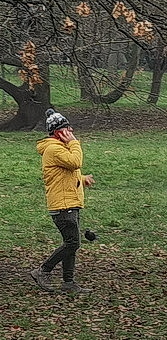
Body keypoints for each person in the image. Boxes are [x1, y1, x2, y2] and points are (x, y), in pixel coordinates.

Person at [32, 109, 96, 294]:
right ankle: (42, 271)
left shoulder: (60, 148)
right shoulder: (53, 148)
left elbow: (66, 172)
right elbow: (75, 162)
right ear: (58, 132)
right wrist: (75, 143)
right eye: (68, 129)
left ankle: (69, 283)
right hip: (62, 205)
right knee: (72, 243)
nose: (72, 131)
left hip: (70, 202)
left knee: (71, 243)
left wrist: (82, 179)